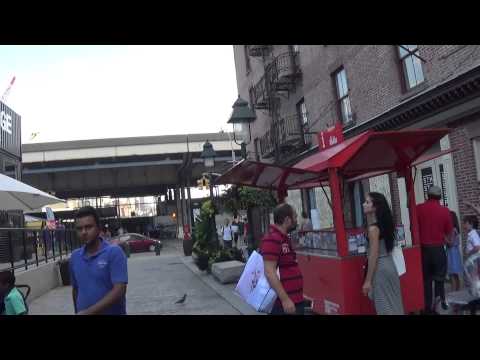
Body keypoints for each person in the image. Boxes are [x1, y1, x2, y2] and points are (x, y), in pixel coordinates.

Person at [70, 206, 128, 315]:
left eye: (88, 227)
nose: (84, 232)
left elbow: (119, 291)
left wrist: (88, 313)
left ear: (98, 228)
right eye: (79, 228)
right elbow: (76, 289)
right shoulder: (75, 257)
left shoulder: (114, 252)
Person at [362, 192, 404, 315]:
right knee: (394, 304)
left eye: (368, 202)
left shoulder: (373, 229)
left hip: (380, 268)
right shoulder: (385, 225)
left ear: (375, 207)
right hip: (390, 264)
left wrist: (368, 280)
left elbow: (373, 255)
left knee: (384, 307)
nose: (364, 204)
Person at [260, 203, 304, 315]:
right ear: (287, 220)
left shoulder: (283, 238)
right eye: (295, 217)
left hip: (294, 300)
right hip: (284, 305)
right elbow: (269, 272)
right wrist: (285, 300)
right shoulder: (272, 238)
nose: (296, 220)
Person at [417, 185, 453, 314]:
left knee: (426, 281)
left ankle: (427, 308)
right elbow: (449, 231)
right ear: (440, 197)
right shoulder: (445, 211)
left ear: (427, 195)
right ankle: (439, 307)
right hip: (438, 249)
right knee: (439, 280)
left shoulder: (418, 208)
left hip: (424, 250)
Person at [447, 211, 462, 292]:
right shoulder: (456, 229)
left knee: (452, 273)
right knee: (455, 273)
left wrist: (444, 238)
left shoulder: (452, 230)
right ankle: (457, 289)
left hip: (451, 252)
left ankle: (453, 290)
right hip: (455, 252)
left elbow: (451, 243)